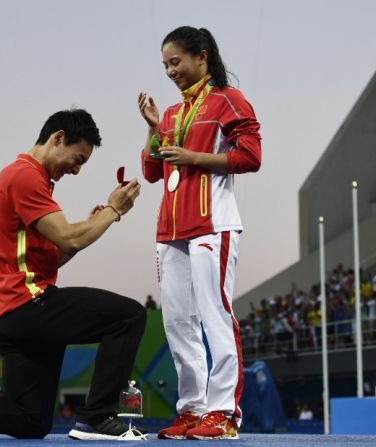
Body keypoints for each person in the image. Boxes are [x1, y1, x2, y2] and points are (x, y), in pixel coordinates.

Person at [0, 108, 147, 441]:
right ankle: (97, 417)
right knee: (129, 316)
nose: (77, 170)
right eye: (77, 158)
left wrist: (92, 225)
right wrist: (113, 211)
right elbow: (68, 235)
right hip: (29, 305)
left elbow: (58, 253)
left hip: (11, 317)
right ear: (58, 138)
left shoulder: (28, 180)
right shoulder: (25, 176)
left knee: (31, 421)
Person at [137, 26, 262, 440]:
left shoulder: (229, 99)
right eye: (166, 65)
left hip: (213, 223)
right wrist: (154, 128)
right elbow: (153, 172)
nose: (171, 71)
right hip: (170, 227)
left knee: (215, 315)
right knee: (177, 321)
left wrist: (195, 157)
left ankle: (224, 413)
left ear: (202, 57)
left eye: (176, 62)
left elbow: (251, 156)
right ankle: (192, 409)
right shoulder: (172, 113)